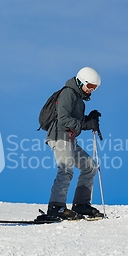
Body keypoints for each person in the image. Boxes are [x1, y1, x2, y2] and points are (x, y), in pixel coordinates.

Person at [45, 67, 105, 219]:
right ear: (81, 82)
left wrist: (88, 119)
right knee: (66, 169)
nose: (92, 90)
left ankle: (81, 204)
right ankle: (56, 206)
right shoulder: (68, 93)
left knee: (90, 167)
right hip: (59, 137)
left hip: (70, 139)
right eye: (90, 86)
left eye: (95, 88)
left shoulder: (78, 99)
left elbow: (74, 120)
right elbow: (64, 119)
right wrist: (85, 125)